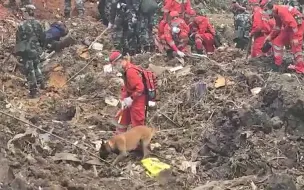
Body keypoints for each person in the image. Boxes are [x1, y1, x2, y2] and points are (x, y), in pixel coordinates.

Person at [109, 51, 147, 134]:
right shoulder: (126, 69)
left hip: (138, 98)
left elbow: (140, 88)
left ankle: (139, 144)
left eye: (115, 65)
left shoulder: (130, 71)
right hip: (132, 96)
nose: (115, 67)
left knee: (137, 122)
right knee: (122, 118)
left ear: (119, 61)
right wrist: (123, 99)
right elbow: (127, 87)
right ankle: (120, 139)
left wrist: (131, 98)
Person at [15, 5, 46, 98]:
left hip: (27, 50)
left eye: (24, 11)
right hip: (37, 49)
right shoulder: (39, 23)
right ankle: (42, 84)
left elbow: (18, 41)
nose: (23, 13)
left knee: (30, 69)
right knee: (37, 66)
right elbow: (43, 37)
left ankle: (33, 90)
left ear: (27, 12)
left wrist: (18, 54)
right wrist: (41, 48)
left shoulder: (22, 25)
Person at [264, 2, 304, 73]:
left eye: (266, 10)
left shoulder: (281, 11)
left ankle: (300, 68)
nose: (266, 12)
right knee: (277, 42)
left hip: (298, 26)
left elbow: (293, 23)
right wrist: (270, 36)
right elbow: (278, 27)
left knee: (295, 46)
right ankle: (277, 64)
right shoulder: (275, 12)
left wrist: (295, 37)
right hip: (290, 26)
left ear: (270, 8)